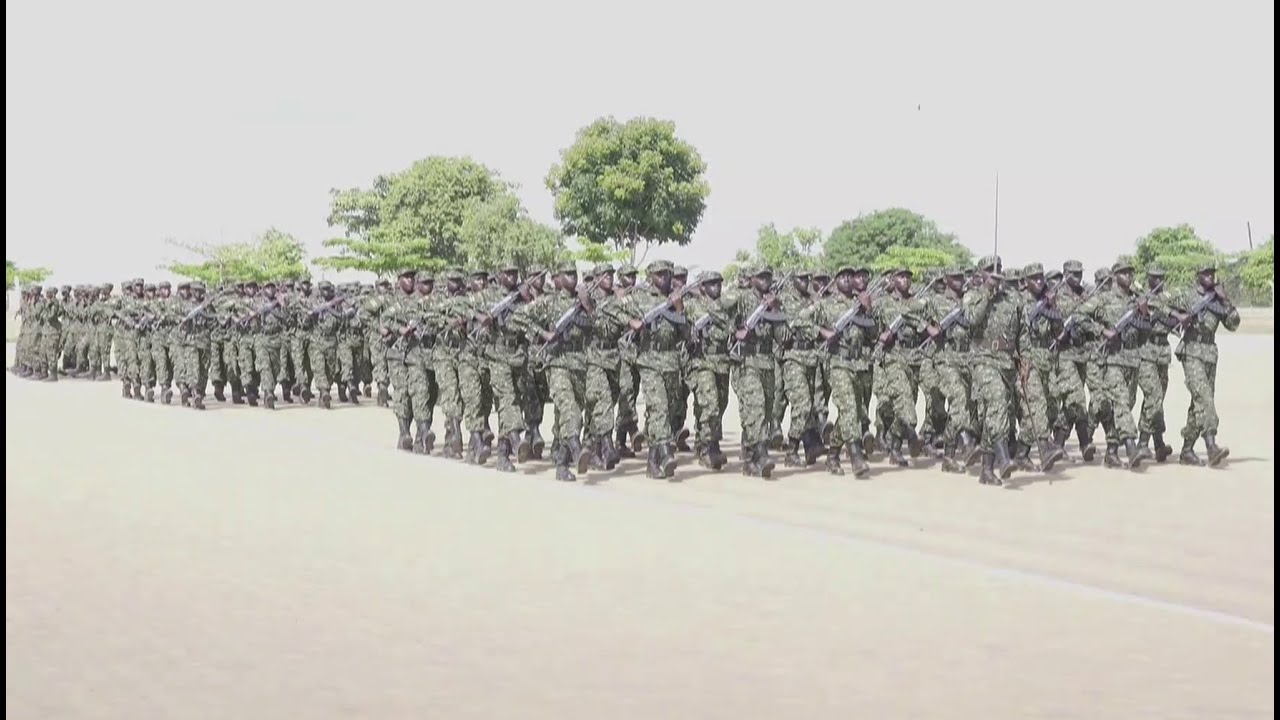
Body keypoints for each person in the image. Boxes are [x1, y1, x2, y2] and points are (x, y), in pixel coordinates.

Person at [1074, 261, 1151, 470]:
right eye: (1124, 273)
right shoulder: (1104, 298)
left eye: (1131, 272)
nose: (1129, 276)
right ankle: (1131, 446)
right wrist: (1101, 330)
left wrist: (1145, 313)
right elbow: (1079, 316)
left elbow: (1146, 332)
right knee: (1122, 403)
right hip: (1113, 360)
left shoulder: (1137, 300)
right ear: (1115, 275)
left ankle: (1111, 452)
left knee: (1126, 405)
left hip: (1133, 360)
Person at [1167, 262, 1239, 466]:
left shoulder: (1218, 298)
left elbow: (1233, 323)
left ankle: (1187, 450)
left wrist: (1226, 301)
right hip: (1191, 351)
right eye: (1206, 274)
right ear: (1198, 276)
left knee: (1199, 402)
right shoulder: (1186, 296)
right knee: (1205, 398)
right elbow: (1160, 307)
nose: (1210, 277)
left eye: (1212, 274)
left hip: (1209, 353)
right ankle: (1211, 445)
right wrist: (1178, 316)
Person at [964, 256, 1022, 485]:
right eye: (989, 271)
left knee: (997, 413)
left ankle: (986, 470)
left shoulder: (1013, 299)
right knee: (997, 400)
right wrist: (988, 292)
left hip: (1007, 362)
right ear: (981, 275)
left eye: (998, 269)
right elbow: (971, 319)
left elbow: (1022, 329)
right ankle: (1004, 458)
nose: (994, 274)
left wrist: (1024, 359)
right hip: (982, 359)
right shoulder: (973, 296)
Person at [1137, 265, 1175, 461]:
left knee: (1157, 399)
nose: (1159, 281)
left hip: (1162, 352)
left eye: (1162, 277)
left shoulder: (1168, 299)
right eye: (1155, 277)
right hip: (1146, 351)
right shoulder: (1142, 298)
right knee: (1154, 396)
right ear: (1148, 278)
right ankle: (1142, 443)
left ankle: (1158, 443)